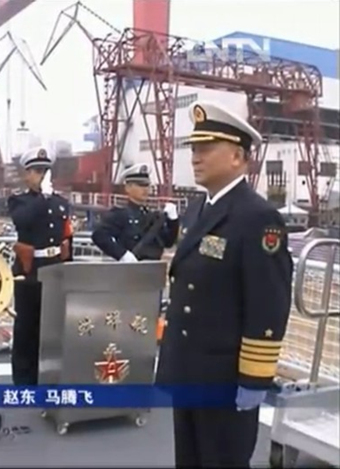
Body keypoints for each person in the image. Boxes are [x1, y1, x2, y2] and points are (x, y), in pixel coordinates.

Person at [155, 101, 293, 468]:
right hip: (189, 369)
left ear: (237, 156)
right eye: (194, 149)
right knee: (189, 459)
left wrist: (254, 378)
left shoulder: (257, 217)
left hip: (224, 378)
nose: (196, 157)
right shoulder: (197, 209)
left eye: (206, 148)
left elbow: (269, 303)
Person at [7, 147, 73, 385]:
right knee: (26, 328)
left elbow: (67, 236)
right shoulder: (19, 200)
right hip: (30, 270)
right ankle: (24, 383)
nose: (42, 175)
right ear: (27, 174)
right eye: (36, 171)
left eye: (45, 170)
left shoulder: (61, 202)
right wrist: (43, 199)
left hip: (55, 268)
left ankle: (48, 378)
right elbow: (22, 220)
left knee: (52, 327)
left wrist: (68, 269)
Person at [91, 163, 179, 261]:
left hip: (154, 267)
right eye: (140, 185)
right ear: (128, 188)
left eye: (147, 185)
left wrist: (173, 221)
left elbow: (168, 242)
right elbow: (99, 235)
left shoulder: (152, 217)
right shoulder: (120, 215)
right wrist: (122, 254)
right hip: (131, 268)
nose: (145, 189)